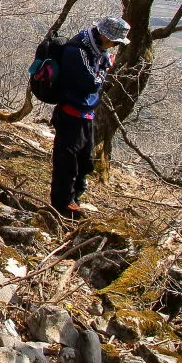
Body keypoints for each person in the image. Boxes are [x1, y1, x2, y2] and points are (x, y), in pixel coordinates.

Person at [50, 16, 131, 218]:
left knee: (85, 161)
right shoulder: (76, 51)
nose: (114, 46)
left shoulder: (97, 51)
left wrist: (102, 67)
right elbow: (91, 84)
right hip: (70, 115)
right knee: (67, 163)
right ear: (104, 35)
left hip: (85, 114)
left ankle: (75, 199)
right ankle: (62, 206)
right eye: (115, 41)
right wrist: (104, 69)